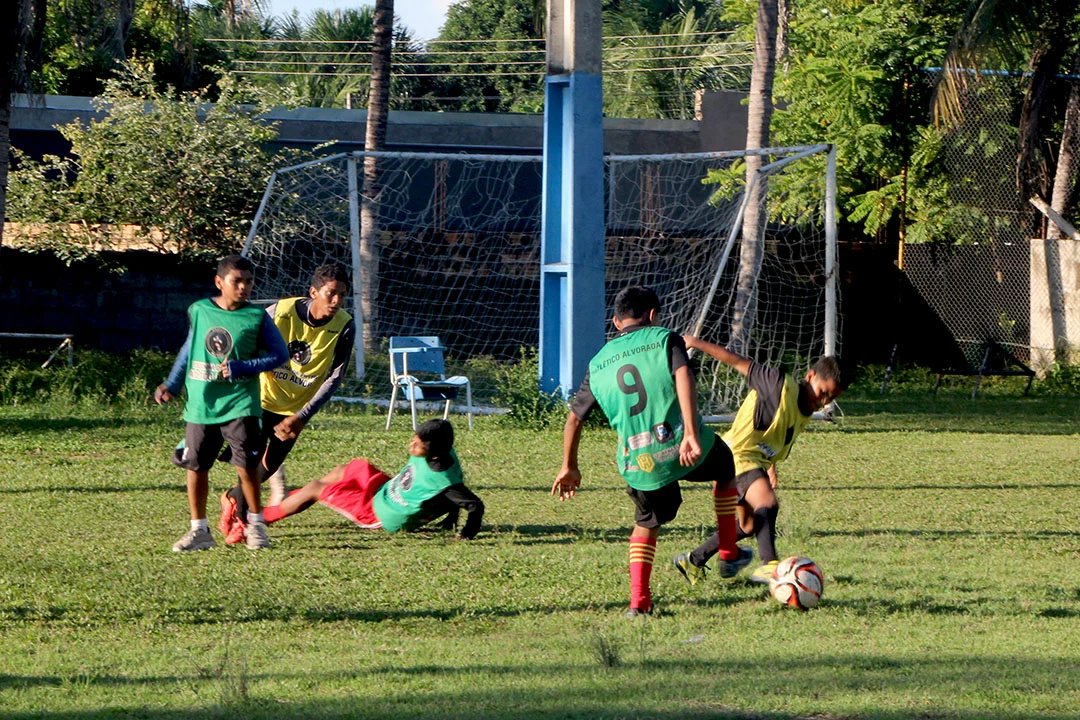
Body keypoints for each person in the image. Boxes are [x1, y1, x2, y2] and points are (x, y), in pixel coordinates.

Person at [552, 286, 753, 618]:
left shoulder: (598, 363)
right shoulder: (664, 338)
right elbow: (683, 375)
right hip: (680, 445)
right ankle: (729, 550)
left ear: (617, 322)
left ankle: (639, 603)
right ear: (653, 315)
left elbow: (574, 419)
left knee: (646, 522)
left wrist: (568, 466)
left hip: (639, 461)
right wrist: (690, 432)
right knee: (724, 464)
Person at [672, 337, 845, 585]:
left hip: (751, 460)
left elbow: (771, 431)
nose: (824, 401)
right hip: (736, 456)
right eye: (823, 392)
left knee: (749, 525)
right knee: (768, 503)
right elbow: (737, 361)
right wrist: (695, 343)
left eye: (831, 398)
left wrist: (770, 467)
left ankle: (694, 560)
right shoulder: (777, 383)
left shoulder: (805, 408)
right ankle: (771, 567)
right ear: (809, 376)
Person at [155, 255, 289, 552]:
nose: (244, 287)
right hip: (202, 404)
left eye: (249, 282)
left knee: (247, 467)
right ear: (219, 282)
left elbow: (280, 354)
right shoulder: (200, 310)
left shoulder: (256, 317)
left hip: (241, 403)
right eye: (237, 281)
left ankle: (255, 527)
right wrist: (172, 384)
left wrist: (244, 366)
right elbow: (189, 349)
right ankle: (199, 531)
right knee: (197, 467)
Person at [216, 263, 356, 544]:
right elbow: (247, 339)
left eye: (342, 295)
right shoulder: (279, 312)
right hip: (260, 400)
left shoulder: (345, 326)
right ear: (314, 291)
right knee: (252, 461)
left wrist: (302, 416)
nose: (336, 301)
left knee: (267, 467)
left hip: (294, 411)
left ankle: (232, 498)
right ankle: (242, 522)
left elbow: (334, 379)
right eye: (330, 293)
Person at [226, 418, 484, 540]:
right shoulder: (442, 450)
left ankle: (255, 519)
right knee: (348, 468)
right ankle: (296, 499)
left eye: (418, 444)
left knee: (316, 488)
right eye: (414, 437)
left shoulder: (443, 479)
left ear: (435, 451)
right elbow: (447, 498)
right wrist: (449, 518)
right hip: (385, 491)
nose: (412, 444)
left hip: (380, 514)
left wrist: (465, 534)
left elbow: (472, 503)